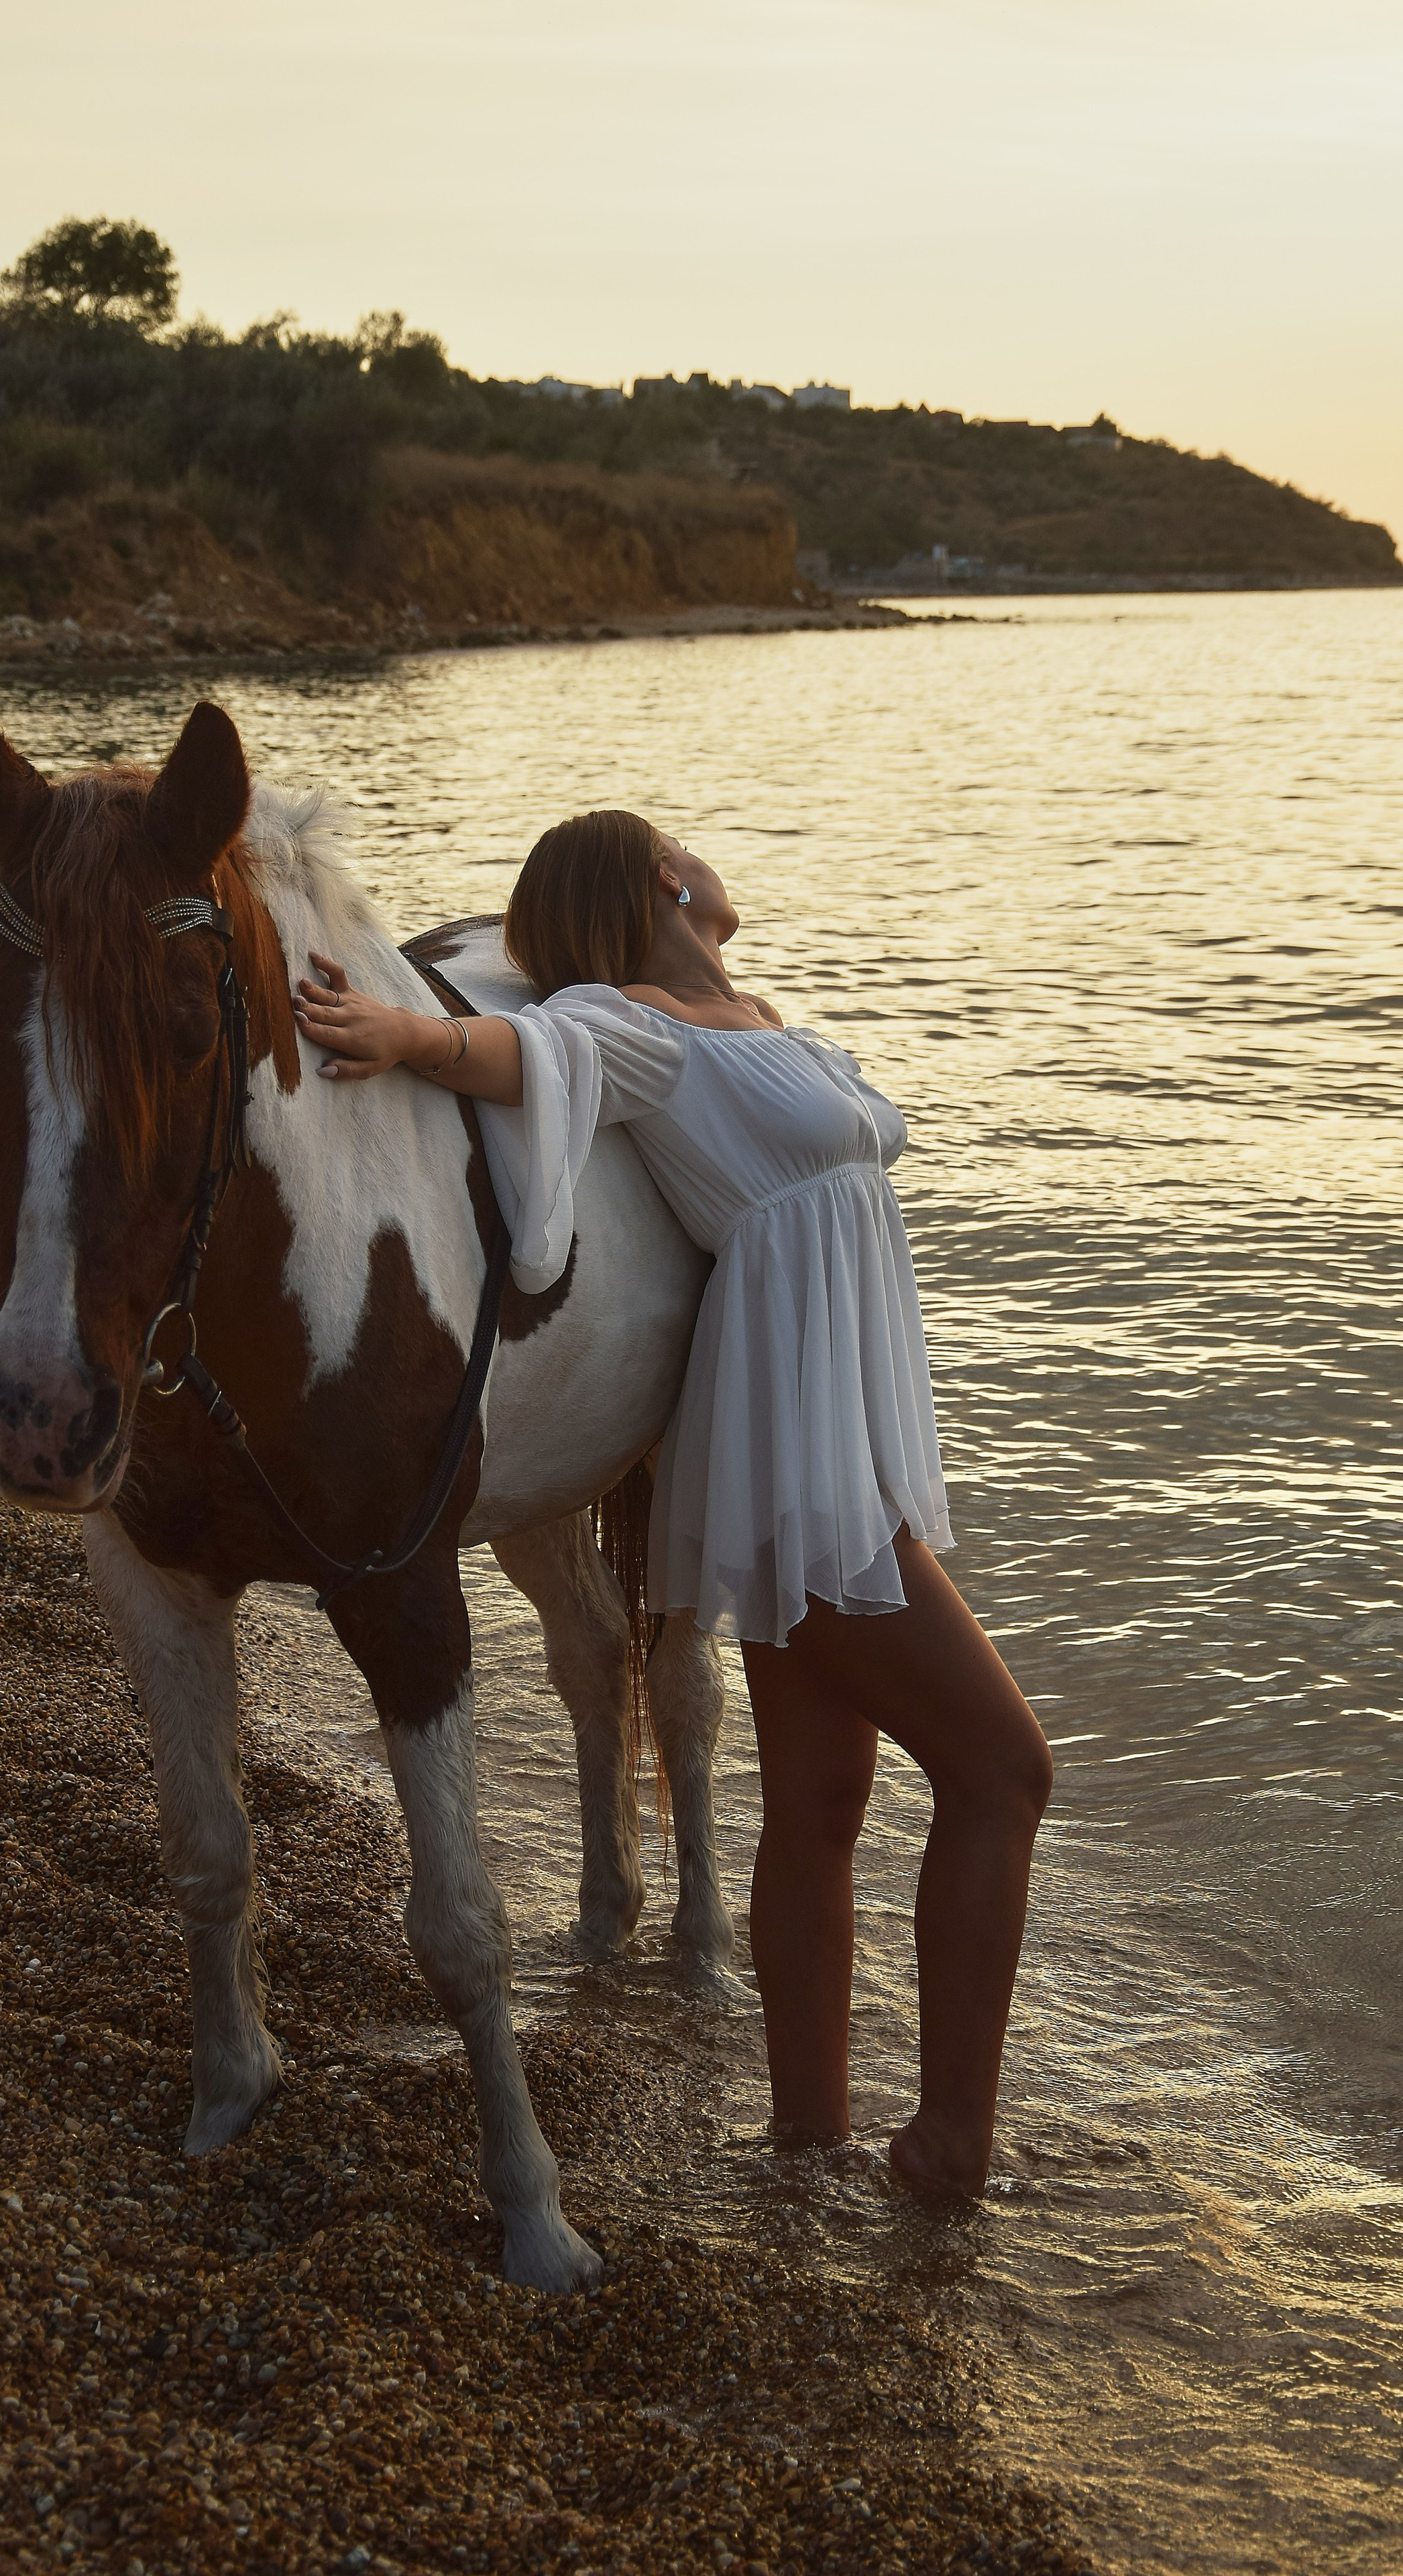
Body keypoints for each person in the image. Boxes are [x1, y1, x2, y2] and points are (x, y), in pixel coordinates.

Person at [290, 809, 1052, 2196]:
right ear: (659, 877)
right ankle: (949, 2141)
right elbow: (515, 1051)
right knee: (1005, 1771)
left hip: (838, 1435)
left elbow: (690, 978)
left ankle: (806, 2139)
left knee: (819, 1801)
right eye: (683, 854)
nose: (705, 870)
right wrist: (401, 1035)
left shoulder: (745, 1015)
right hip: (795, 1451)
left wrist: (681, 911)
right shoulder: (633, 1024)